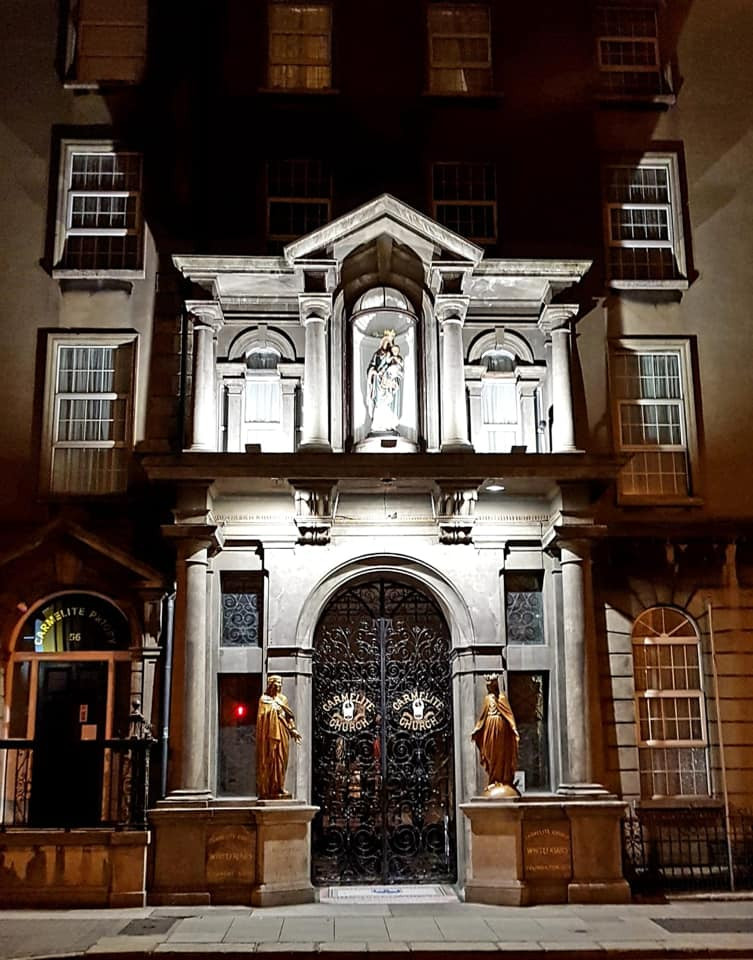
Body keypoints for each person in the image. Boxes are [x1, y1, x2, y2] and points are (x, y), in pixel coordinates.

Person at [471, 674, 520, 795]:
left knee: (500, 754)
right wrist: (477, 729)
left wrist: (514, 729)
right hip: (489, 728)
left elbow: (509, 715)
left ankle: (501, 779)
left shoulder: (501, 698)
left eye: (490, 684)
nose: (489, 687)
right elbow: (483, 716)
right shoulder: (487, 699)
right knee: (490, 754)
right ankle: (493, 779)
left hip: (500, 729)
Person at [256, 674, 302, 799]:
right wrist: (272, 711)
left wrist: (293, 729)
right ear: (271, 684)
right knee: (271, 758)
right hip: (269, 735)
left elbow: (289, 716)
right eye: (277, 683)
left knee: (282, 759)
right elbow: (261, 718)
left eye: (280, 683)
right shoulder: (264, 699)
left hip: (282, 733)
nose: (279, 686)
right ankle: (270, 788)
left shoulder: (283, 699)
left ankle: (280, 786)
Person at [366, 332, 404, 433]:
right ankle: (378, 425)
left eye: (389, 343)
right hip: (378, 382)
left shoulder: (393, 357)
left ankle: (389, 424)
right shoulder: (377, 355)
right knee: (379, 402)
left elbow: (398, 369)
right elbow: (371, 366)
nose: (387, 345)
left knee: (389, 402)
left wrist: (393, 377)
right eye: (386, 342)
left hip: (388, 383)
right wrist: (373, 372)